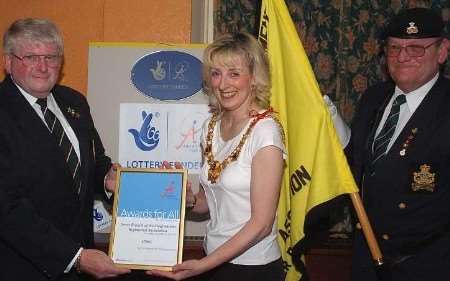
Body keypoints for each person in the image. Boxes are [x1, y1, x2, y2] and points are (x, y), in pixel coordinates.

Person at [149, 32, 286, 281]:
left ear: (254, 77)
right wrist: (187, 198)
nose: (223, 84)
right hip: (213, 258)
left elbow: (262, 224)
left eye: (234, 73)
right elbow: (208, 202)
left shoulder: (266, 130)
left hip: (252, 268)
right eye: (216, 73)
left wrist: (203, 266)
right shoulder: (210, 127)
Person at [0, 18, 130, 280]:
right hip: (25, 268)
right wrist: (74, 257)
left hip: (81, 265)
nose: (43, 66)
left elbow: (94, 161)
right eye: (31, 57)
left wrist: (107, 180)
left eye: (51, 57)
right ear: (8, 61)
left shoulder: (74, 103)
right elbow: (6, 208)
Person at [347, 8, 450, 281]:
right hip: (366, 260)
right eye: (394, 48)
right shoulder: (373, 98)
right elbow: (358, 166)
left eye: (416, 48)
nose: (402, 57)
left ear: (442, 52)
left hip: (427, 266)